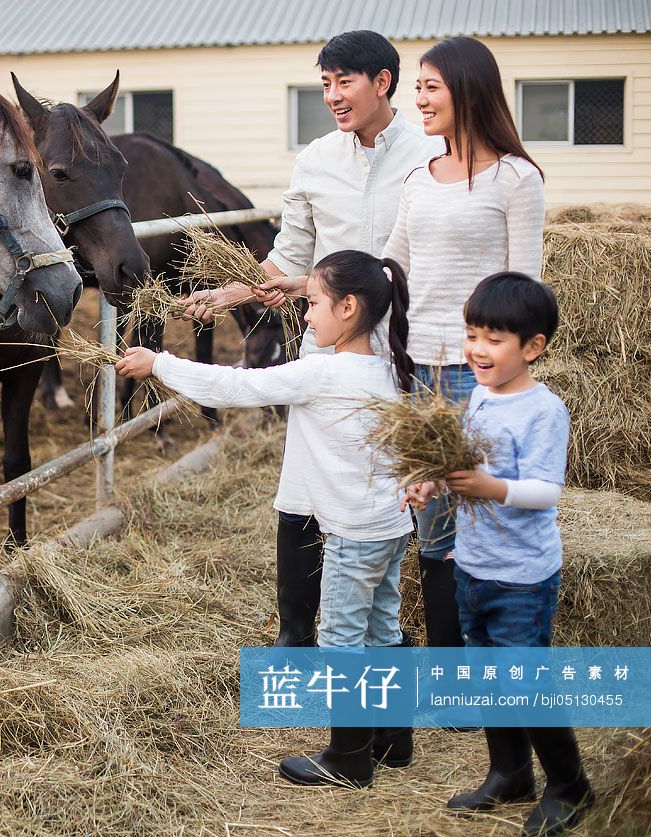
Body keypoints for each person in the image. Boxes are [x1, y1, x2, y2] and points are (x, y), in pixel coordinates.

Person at [180, 30, 442, 651]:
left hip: (407, 351)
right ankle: (300, 643)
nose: (331, 96)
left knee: (404, 495)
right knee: (303, 489)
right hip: (331, 351)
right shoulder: (316, 160)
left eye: (343, 81)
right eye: (325, 83)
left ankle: (414, 657)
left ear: (383, 82)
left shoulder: (430, 155)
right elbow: (288, 258)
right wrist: (232, 293)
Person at [118, 249, 417, 786]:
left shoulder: (322, 372)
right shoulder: (390, 367)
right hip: (390, 528)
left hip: (350, 533)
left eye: (315, 304)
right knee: (383, 626)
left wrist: (158, 363)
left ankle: (349, 758)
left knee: (343, 638)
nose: (306, 316)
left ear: (348, 308)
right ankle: (394, 739)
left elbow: (236, 388)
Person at [404, 273, 592, 836]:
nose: (478, 350)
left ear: (533, 347)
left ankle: (568, 784)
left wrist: (491, 489)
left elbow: (546, 491)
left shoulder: (543, 411)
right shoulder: (480, 396)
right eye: (472, 334)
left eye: (494, 339)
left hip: (521, 577)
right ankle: (509, 772)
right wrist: (434, 482)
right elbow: (463, 461)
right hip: (475, 565)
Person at [381, 36, 547, 651]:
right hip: (422, 368)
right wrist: (314, 284)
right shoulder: (418, 179)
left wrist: (500, 375)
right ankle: (449, 672)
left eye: (430, 87)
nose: (418, 99)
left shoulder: (515, 178)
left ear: (468, 90)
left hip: (481, 373)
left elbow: (524, 286)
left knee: (484, 516)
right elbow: (389, 263)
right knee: (432, 523)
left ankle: (491, 659)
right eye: (417, 87)